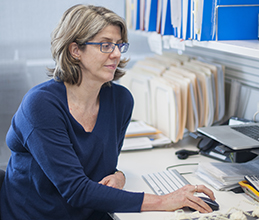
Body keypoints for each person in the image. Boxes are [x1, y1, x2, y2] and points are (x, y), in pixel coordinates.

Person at [0, 4, 215, 220]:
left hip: (89, 212)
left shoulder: (120, 100)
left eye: (120, 45)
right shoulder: (41, 105)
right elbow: (76, 190)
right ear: (75, 50)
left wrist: (119, 176)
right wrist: (164, 201)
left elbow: (103, 169)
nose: (116, 54)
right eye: (105, 45)